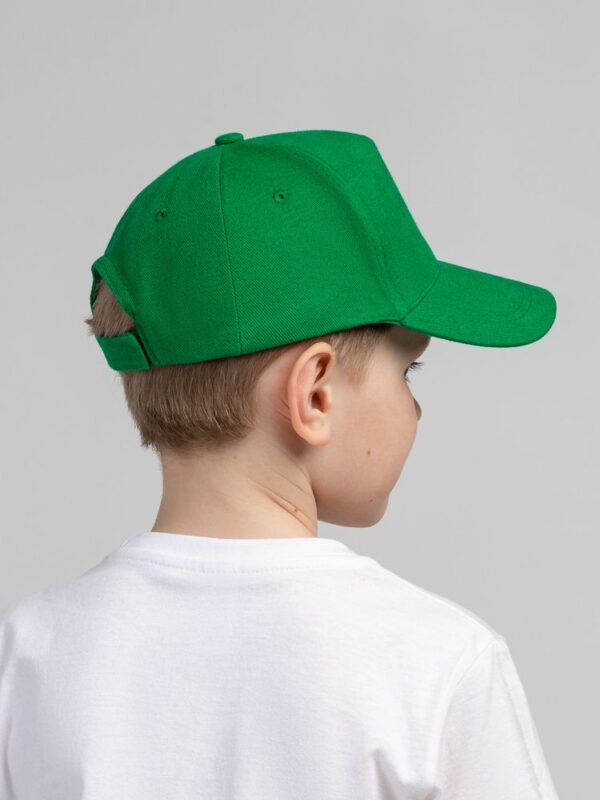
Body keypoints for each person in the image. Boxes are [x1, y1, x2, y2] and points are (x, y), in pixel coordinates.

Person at [0, 128, 560, 799]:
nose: (416, 409)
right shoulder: (439, 663)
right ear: (316, 392)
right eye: (409, 371)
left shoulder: (30, 653)